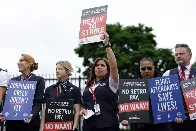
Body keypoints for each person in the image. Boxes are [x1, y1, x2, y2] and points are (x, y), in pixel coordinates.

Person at [79, 32, 120, 131]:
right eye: (97, 65)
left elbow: (114, 66)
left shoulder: (111, 82)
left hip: (108, 125)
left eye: (102, 65)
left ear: (107, 69)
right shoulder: (88, 85)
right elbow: (85, 104)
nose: (99, 67)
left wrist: (107, 45)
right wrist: (83, 110)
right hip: (89, 125)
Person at [121, 57, 171, 131]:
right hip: (140, 126)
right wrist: (125, 118)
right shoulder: (131, 86)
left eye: (149, 68)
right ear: (140, 69)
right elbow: (127, 107)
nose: (146, 71)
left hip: (161, 125)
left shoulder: (164, 83)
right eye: (143, 69)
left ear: (154, 68)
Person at [0, 54, 45, 131]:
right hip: (12, 124)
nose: (18, 63)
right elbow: (9, 101)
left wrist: (32, 114)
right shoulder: (13, 80)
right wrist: (4, 113)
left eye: (21, 60)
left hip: (30, 124)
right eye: (18, 61)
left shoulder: (39, 80)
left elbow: (38, 102)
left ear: (29, 64)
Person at [163, 44, 196, 131]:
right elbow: (163, 99)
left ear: (190, 55)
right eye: (176, 54)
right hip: (175, 122)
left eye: (181, 53)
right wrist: (173, 114)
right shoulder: (167, 74)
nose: (178, 56)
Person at [40, 61, 81, 131]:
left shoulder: (75, 89)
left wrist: (74, 128)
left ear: (68, 71)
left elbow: (77, 112)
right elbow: (44, 111)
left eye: (60, 69)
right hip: (51, 127)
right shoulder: (49, 89)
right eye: (56, 69)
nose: (57, 71)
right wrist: (41, 128)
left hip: (68, 127)